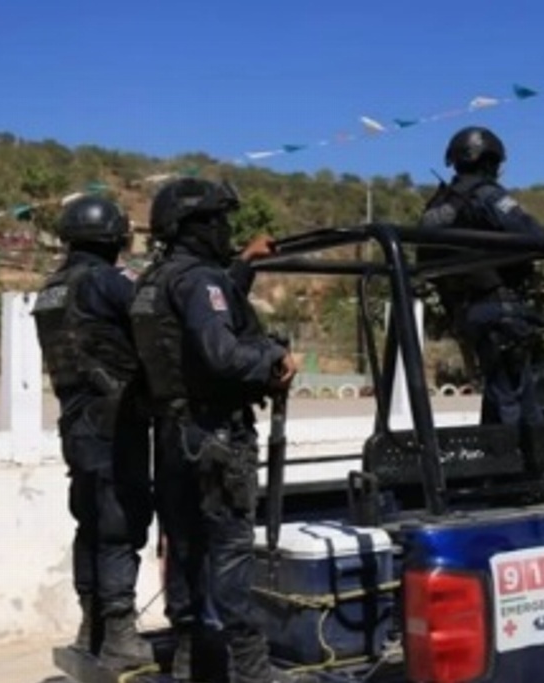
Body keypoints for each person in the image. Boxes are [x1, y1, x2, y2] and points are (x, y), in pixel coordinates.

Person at [129, 177, 310, 683]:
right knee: (229, 550)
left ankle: (191, 656)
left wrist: (244, 264)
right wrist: (273, 357)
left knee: (184, 545)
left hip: (172, 434)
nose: (225, 229)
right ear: (198, 225)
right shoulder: (200, 280)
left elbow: (192, 322)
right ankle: (251, 668)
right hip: (215, 434)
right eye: (219, 221)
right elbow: (220, 352)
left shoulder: (153, 281)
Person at [32, 196, 154, 669]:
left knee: (91, 524)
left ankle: (93, 626)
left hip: (75, 423)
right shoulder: (105, 282)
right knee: (120, 527)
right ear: (115, 237)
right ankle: (120, 634)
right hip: (113, 422)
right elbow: (152, 317)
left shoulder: (53, 288)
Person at [419, 125, 544, 431]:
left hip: (466, 314)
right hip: (501, 309)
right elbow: (533, 236)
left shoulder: (435, 209)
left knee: (498, 392)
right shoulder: (487, 196)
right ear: (490, 161)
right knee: (516, 401)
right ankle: (528, 471)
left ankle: (499, 468)